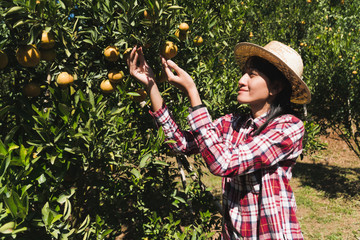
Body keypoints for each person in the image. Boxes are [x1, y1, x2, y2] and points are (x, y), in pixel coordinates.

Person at [127, 40, 311, 240]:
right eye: (244, 73)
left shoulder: (288, 128)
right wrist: (151, 84)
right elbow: (179, 143)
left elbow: (223, 163)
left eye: (251, 74)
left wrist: (192, 92)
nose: (241, 80)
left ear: (275, 87)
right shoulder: (233, 123)